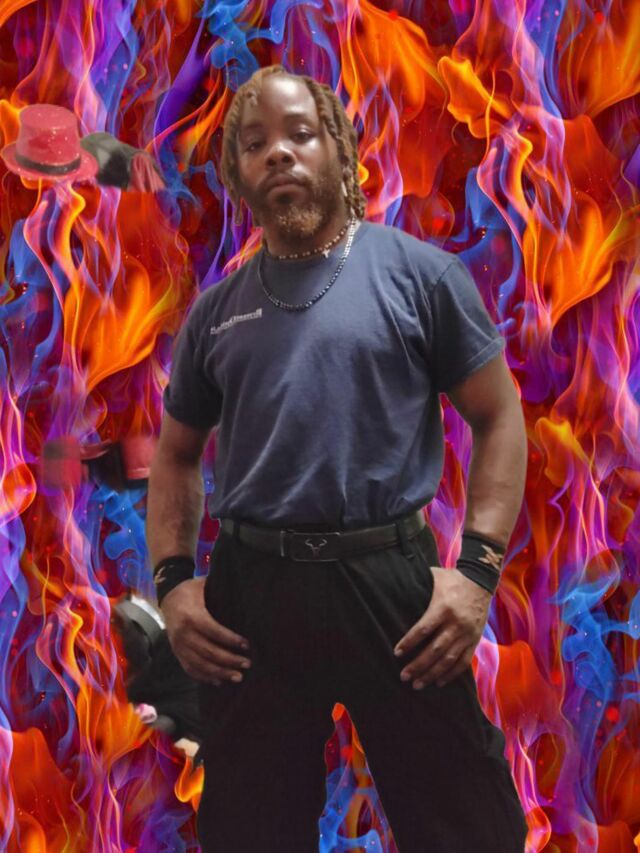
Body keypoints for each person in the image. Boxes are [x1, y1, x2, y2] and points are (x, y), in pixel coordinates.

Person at [146, 65, 529, 853]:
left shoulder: (420, 276)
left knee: (470, 829)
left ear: (339, 149)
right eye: (256, 144)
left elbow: (499, 417)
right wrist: (175, 586)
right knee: (249, 833)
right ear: (238, 174)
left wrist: (477, 573)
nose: (279, 153)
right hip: (253, 595)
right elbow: (176, 455)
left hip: (389, 584)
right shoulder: (215, 314)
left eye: (300, 134)